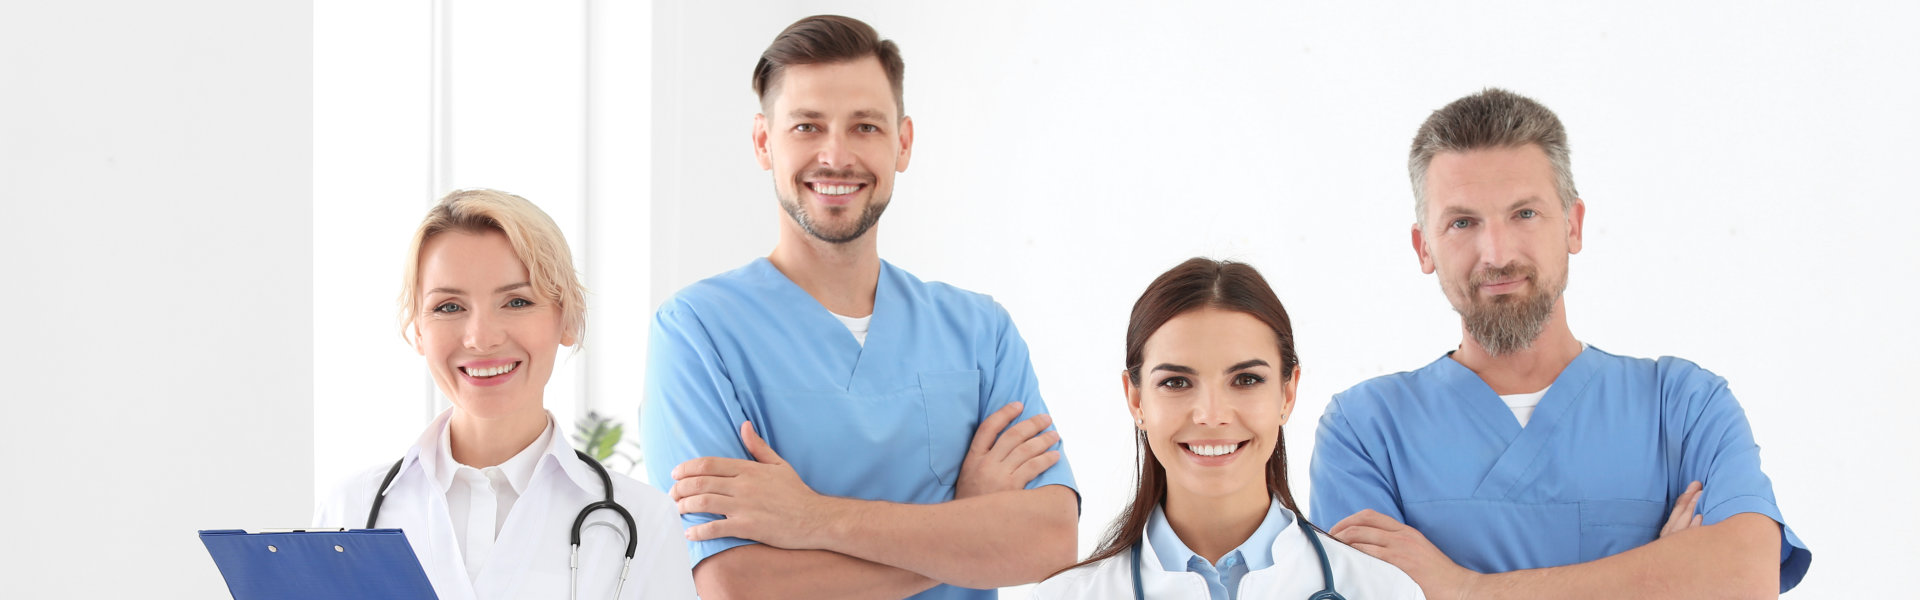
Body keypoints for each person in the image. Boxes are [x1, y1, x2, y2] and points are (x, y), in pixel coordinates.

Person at [1309, 88, 1812, 598]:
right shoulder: (1365, 431)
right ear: (1424, 248)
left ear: (1572, 225)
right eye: (1463, 222)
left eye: (1524, 214)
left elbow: (1744, 577)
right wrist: (1662, 576)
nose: (1497, 253)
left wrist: (1462, 589)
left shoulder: (1683, 406)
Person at [640, 14, 1078, 600]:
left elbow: (1049, 542)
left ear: (903, 143)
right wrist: (965, 524)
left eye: (866, 126)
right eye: (807, 126)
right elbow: (735, 584)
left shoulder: (980, 333)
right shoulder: (698, 332)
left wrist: (812, 519)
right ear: (763, 142)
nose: (836, 155)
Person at [314, 189, 696, 599]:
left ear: (566, 319)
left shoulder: (642, 521)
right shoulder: (351, 511)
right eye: (448, 307)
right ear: (418, 329)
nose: (481, 338)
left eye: (516, 301)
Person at [1034, 258, 1423, 600]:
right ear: (1136, 401)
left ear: (1287, 394)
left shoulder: (1383, 591)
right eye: (1176, 382)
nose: (1212, 414)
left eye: (1246, 379)